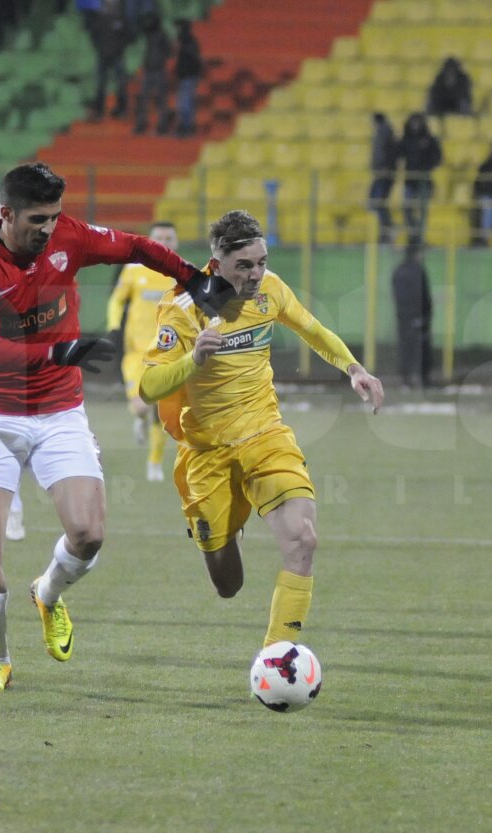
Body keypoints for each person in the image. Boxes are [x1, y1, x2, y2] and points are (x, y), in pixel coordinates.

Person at [0, 162, 232, 691]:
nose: (49, 229)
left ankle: (47, 593)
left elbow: (136, 247)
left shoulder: (69, 237)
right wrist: (57, 349)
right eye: (38, 219)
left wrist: (193, 278)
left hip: (57, 412)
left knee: (88, 534)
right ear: (5, 214)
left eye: (55, 217)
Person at [138, 209, 383, 649]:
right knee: (227, 583)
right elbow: (149, 385)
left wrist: (353, 368)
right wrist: (192, 361)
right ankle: (221, 526)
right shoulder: (182, 308)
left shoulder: (271, 291)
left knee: (303, 539)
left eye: (262, 262)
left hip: (265, 435)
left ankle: (278, 655)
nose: (256, 275)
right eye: (244, 266)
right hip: (206, 451)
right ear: (216, 264)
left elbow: (312, 328)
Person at [106, 221, 179, 481]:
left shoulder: (180, 272)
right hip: (136, 351)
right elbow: (117, 299)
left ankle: (154, 464)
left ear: (176, 242)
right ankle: (139, 419)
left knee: (161, 410)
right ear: (149, 240)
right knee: (139, 407)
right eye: (159, 237)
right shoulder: (134, 269)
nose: (164, 242)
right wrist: (114, 327)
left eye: (169, 238)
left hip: (167, 354)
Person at [390, 244, 433, 389]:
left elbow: (397, 296)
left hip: (403, 318)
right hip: (418, 318)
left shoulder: (398, 271)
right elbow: (422, 296)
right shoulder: (418, 271)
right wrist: (424, 317)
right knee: (420, 349)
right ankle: (421, 380)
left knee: (405, 349)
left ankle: (406, 379)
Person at [398, 112, 442, 245]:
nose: (415, 125)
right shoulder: (406, 139)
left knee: (422, 211)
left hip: (424, 181)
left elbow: (437, 157)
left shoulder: (430, 140)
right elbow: (397, 153)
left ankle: (419, 238)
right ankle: (414, 235)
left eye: (417, 122)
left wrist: (427, 167)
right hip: (410, 180)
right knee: (406, 209)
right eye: (413, 122)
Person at [133, 11, 172, 135]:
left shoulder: (161, 36)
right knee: (144, 99)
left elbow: (169, 51)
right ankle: (141, 124)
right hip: (148, 70)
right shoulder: (147, 35)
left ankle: (162, 125)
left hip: (158, 70)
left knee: (160, 99)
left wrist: (160, 59)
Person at [368, 112, 397, 244]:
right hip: (380, 173)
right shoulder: (383, 132)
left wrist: (386, 167)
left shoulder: (385, 132)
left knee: (377, 202)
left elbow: (389, 153)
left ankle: (388, 229)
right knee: (375, 202)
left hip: (384, 173)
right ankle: (386, 229)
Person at [172, 18, 202, 137]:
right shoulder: (186, 41)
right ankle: (185, 125)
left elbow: (193, 58)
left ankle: (187, 126)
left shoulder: (188, 42)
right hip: (185, 74)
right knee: (183, 101)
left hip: (188, 75)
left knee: (185, 101)